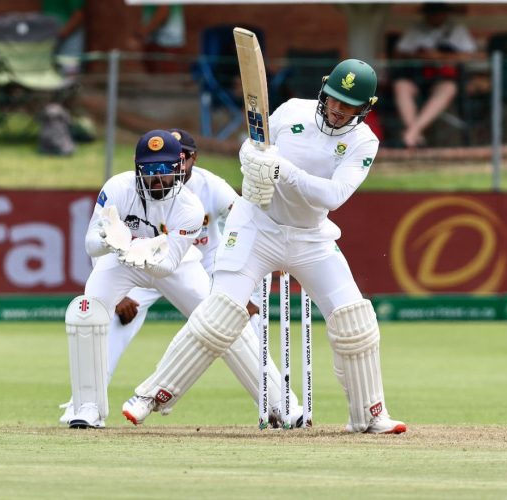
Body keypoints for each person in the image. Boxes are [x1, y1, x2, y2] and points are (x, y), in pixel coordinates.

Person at [122, 59, 407, 434]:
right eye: (334, 99)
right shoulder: (292, 112)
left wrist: (282, 170)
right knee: (219, 316)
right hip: (256, 227)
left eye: (349, 105)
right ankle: (150, 396)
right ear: (324, 92)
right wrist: (254, 165)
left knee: (356, 322)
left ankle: (369, 415)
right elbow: (250, 148)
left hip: (310, 236)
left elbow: (334, 195)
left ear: (365, 107)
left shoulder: (363, 141)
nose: (338, 109)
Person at [64, 129, 302, 429]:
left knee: (224, 322)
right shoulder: (117, 189)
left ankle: (282, 405)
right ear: (138, 169)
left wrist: (147, 251)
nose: (157, 178)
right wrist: (108, 239)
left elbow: (167, 265)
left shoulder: (190, 207)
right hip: (122, 259)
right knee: (88, 312)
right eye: (150, 170)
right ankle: (87, 407)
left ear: (179, 167)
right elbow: (90, 245)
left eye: (164, 169)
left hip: (175, 265)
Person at [392, 2, 477, 148]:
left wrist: (440, 56)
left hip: (443, 79)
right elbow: (398, 53)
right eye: (431, 12)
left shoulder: (456, 30)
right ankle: (415, 136)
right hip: (418, 78)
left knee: (449, 88)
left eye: (438, 12)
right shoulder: (416, 29)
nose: (435, 16)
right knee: (401, 86)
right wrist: (420, 55)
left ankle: (411, 134)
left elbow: (470, 56)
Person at [132, 4, 185, 73]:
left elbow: (163, 11)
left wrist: (141, 34)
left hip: (165, 43)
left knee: (163, 78)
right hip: (161, 41)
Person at [40, 0, 85, 75]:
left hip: (70, 33)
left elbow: (79, 15)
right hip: (49, 34)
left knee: (70, 71)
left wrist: (61, 33)